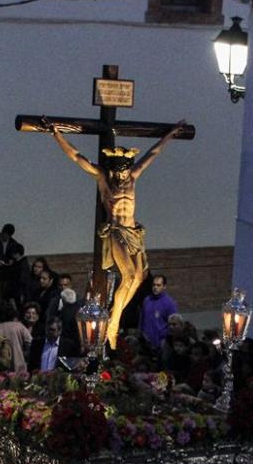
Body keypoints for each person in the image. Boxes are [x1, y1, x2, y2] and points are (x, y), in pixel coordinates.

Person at [46, 119, 187, 346]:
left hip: (132, 232)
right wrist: (57, 135)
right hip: (115, 232)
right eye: (118, 173)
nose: (121, 177)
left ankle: (114, 316)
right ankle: (113, 324)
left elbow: (153, 154)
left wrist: (170, 134)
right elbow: (77, 157)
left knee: (140, 277)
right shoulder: (104, 180)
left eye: (124, 172)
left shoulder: (132, 179)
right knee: (128, 275)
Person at [140, 272, 178, 352]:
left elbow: (174, 325)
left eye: (158, 285)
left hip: (161, 343)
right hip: (146, 342)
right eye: (154, 285)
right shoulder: (147, 300)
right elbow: (142, 319)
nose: (155, 287)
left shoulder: (169, 303)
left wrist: (164, 338)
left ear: (164, 286)